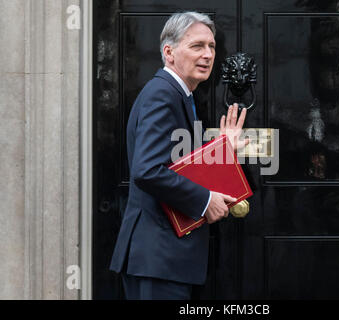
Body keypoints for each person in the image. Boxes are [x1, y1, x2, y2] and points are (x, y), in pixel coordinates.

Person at [109, 11, 249, 300]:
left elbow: (176, 165)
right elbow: (147, 170)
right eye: (197, 46)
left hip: (165, 261)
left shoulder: (178, 94)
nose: (208, 54)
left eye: (211, 47)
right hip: (158, 259)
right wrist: (205, 200)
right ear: (169, 52)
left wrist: (222, 151)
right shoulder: (163, 94)